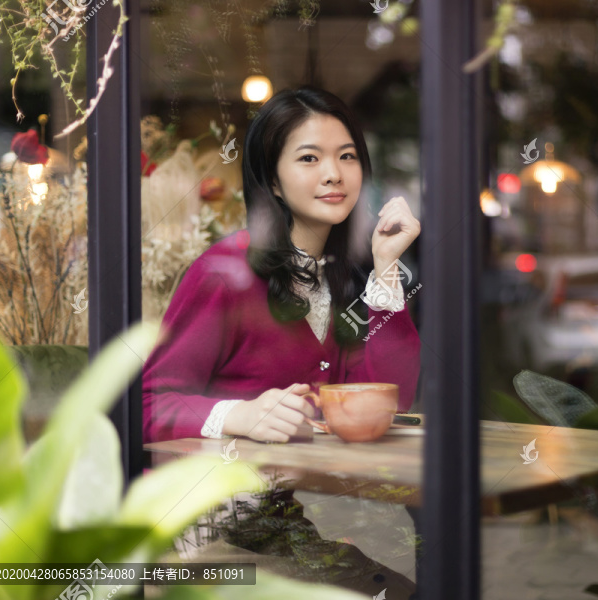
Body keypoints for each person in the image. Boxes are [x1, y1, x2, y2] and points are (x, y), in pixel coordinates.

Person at [140, 87, 422, 598]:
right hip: (208, 528)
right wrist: (238, 415)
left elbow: (384, 401)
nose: (333, 173)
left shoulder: (343, 281)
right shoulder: (224, 273)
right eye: (309, 158)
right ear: (272, 177)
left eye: (347, 156)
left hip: (295, 516)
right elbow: (143, 404)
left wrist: (386, 269)